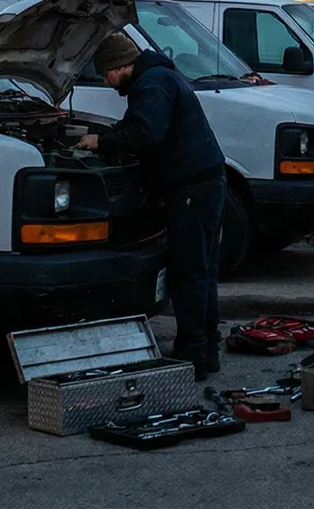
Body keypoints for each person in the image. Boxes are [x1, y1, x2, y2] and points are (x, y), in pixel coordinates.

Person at [76, 32, 225, 379]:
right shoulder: (159, 77)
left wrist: (102, 141)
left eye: (106, 73)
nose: (106, 81)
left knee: (188, 272)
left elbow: (147, 133)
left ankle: (193, 355)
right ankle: (207, 348)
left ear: (119, 65)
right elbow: (143, 127)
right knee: (202, 270)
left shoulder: (151, 84)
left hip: (192, 188)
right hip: (204, 182)